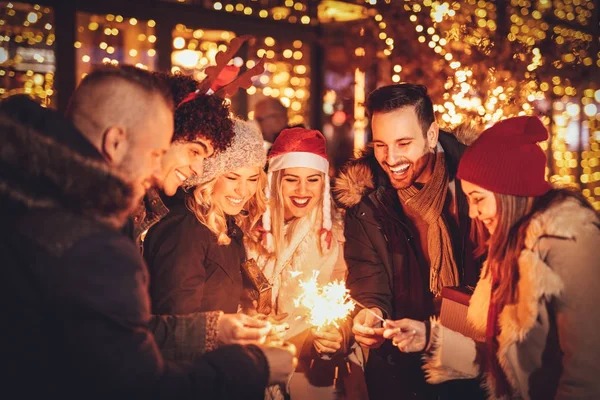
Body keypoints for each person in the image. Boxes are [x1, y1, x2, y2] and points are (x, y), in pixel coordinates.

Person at [0, 67, 295, 398]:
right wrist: (255, 365)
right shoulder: (91, 241)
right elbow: (142, 385)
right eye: (155, 152)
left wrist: (211, 330)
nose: (159, 170)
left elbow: (114, 331)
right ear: (115, 142)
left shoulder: (33, 201)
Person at [383, 115, 600, 399]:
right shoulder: (509, 250)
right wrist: (430, 338)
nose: (472, 212)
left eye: (478, 198)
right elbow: (501, 360)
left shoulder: (570, 244)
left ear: (508, 191)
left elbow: (586, 372)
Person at [334, 83, 482, 398]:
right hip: (402, 374)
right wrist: (370, 313)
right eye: (380, 144)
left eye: (403, 142)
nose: (391, 158)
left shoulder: (477, 184)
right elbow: (367, 276)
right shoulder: (367, 198)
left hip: (476, 368)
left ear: (431, 135)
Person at [247, 127, 366, 399]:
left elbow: (347, 303)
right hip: (249, 365)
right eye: (292, 179)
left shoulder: (335, 237)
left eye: (313, 180)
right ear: (276, 179)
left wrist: (336, 336)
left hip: (306, 375)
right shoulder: (246, 229)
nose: (303, 190)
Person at [143, 118, 271, 360]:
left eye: (252, 179)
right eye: (232, 178)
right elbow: (178, 326)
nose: (243, 191)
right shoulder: (186, 229)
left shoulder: (226, 225)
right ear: (210, 177)